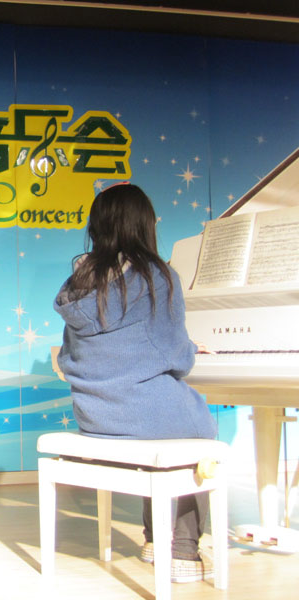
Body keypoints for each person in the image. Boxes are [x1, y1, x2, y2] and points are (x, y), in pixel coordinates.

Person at [52, 182, 218, 583]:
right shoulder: (158, 276)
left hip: (95, 415)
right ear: (144, 224)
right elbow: (176, 357)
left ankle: (153, 539)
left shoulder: (79, 282)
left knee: (165, 422)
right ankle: (182, 550)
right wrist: (191, 349)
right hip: (142, 413)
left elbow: (69, 356)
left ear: (97, 226)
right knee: (199, 431)